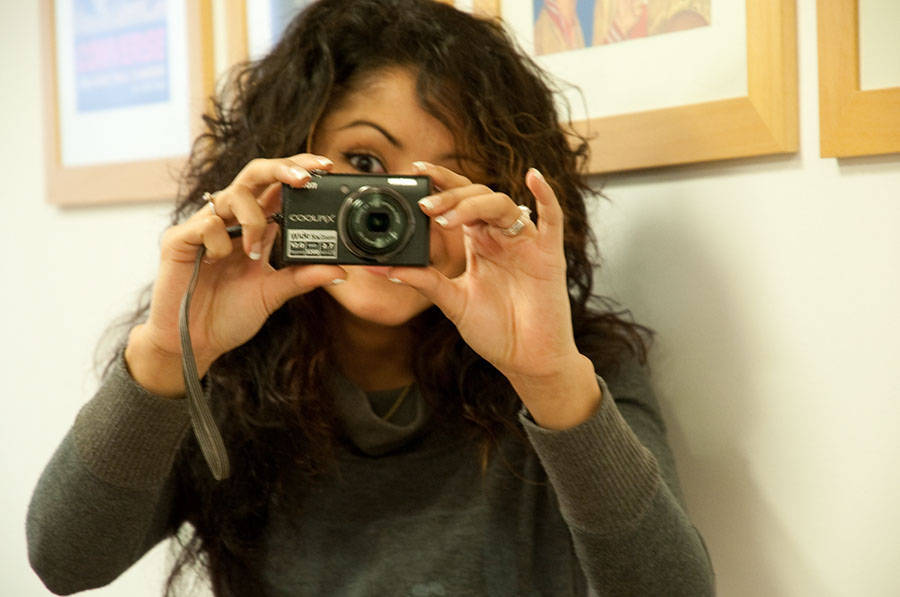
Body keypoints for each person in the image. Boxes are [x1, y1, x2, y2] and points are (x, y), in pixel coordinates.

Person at [27, 0, 714, 595]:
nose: (392, 209)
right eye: (362, 164)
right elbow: (65, 561)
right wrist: (170, 352)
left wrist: (550, 380)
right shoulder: (220, 371)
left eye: (442, 181)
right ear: (285, 159)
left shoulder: (577, 369)